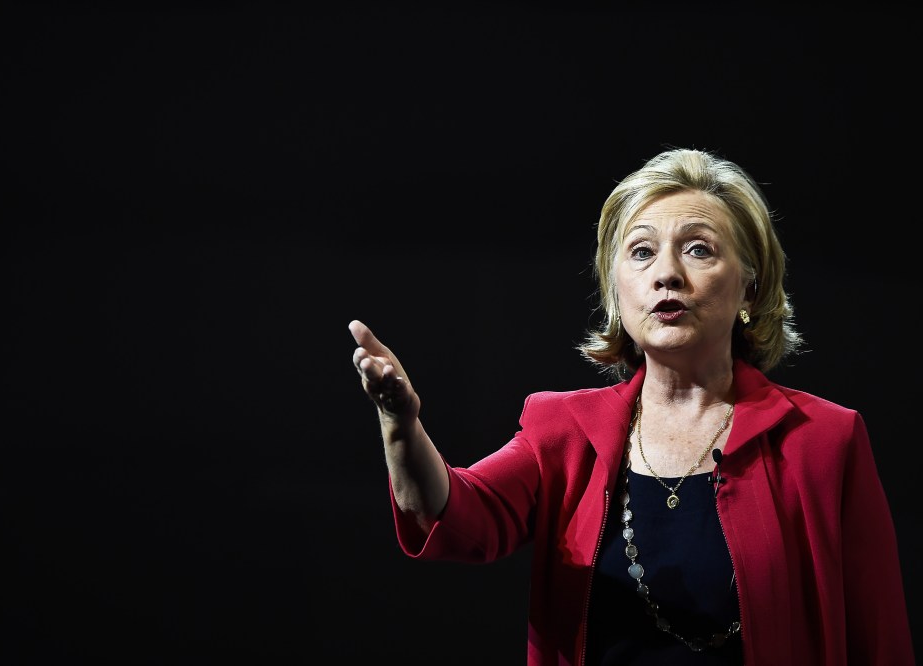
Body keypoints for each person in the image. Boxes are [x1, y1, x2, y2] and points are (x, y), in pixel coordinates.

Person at [348, 147, 915, 665]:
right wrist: (400, 425)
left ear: (749, 286)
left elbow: (880, 639)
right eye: (641, 251)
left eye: (698, 248)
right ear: (617, 288)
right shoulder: (563, 428)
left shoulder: (824, 439)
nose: (666, 273)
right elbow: (457, 518)